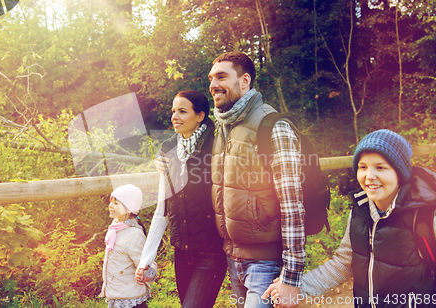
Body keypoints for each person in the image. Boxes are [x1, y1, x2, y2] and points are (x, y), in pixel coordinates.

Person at [268, 129, 436, 307]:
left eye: (380, 167)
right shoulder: (360, 211)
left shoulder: (428, 214)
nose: (369, 176)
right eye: (363, 167)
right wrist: (295, 286)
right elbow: (344, 263)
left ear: (399, 173)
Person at [208, 51, 305, 308]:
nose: (213, 85)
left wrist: (292, 276)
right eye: (211, 78)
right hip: (233, 257)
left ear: (244, 80)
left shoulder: (272, 125)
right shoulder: (223, 127)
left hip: (266, 262)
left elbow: (292, 203)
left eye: (221, 76)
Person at [136, 90, 227, 308]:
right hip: (182, 252)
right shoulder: (168, 151)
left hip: (211, 252)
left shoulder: (217, 148)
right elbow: (162, 211)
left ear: (200, 116)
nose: (174, 117)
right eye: (173, 111)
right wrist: (146, 259)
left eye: (182, 111)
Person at [99, 184, 154, 308]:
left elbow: (147, 262)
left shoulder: (134, 234)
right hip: (116, 295)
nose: (110, 206)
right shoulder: (115, 228)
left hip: (130, 298)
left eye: (116, 203)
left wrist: (145, 272)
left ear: (129, 209)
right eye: (111, 201)